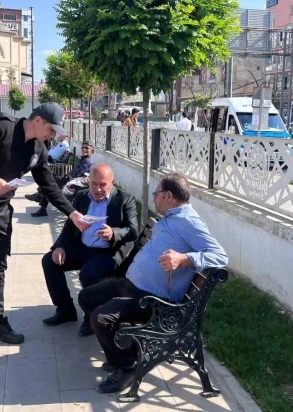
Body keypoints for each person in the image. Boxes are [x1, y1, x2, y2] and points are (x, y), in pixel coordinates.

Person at [0, 102, 89, 358]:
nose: (52, 134)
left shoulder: (38, 149)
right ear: (37, 120)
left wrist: (72, 212)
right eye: (50, 128)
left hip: (1, 211)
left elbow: (48, 185)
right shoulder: (3, 128)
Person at [78, 173, 228, 394]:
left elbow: (220, 256)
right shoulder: (171, 218)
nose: (154, 198)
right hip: (133, 286)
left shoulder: (189, 222)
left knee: (100, 318)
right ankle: (118, 353)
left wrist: (184, 259)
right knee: (87, 297)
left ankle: (128, 366)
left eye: (156, 194)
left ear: (168, 196)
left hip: (152, 300)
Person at [41, 164, 138, 336]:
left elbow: (133, 230)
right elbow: (70, 225)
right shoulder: (82, 196)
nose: (98, 189)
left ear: (112, 183)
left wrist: (113, 233)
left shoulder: (125, 199)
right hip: (83, 248)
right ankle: (65, 310)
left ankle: (90, 318)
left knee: (88, 273)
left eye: (103, 184)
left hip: (109, 252)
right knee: (49, 261)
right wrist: (60, 246)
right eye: (94, 184)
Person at [30, 141, 95, 217]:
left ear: (92, 151)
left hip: (74, 182)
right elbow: (75, 172)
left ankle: (39, 197)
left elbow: (76, 174)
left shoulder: (87, 161)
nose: (84, 149)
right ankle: (39, 198)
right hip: (71, 179)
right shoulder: (84, 159)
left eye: (87, 148)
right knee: (49, 181)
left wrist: (67, 175)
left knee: (49, 183)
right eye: (83, 148)